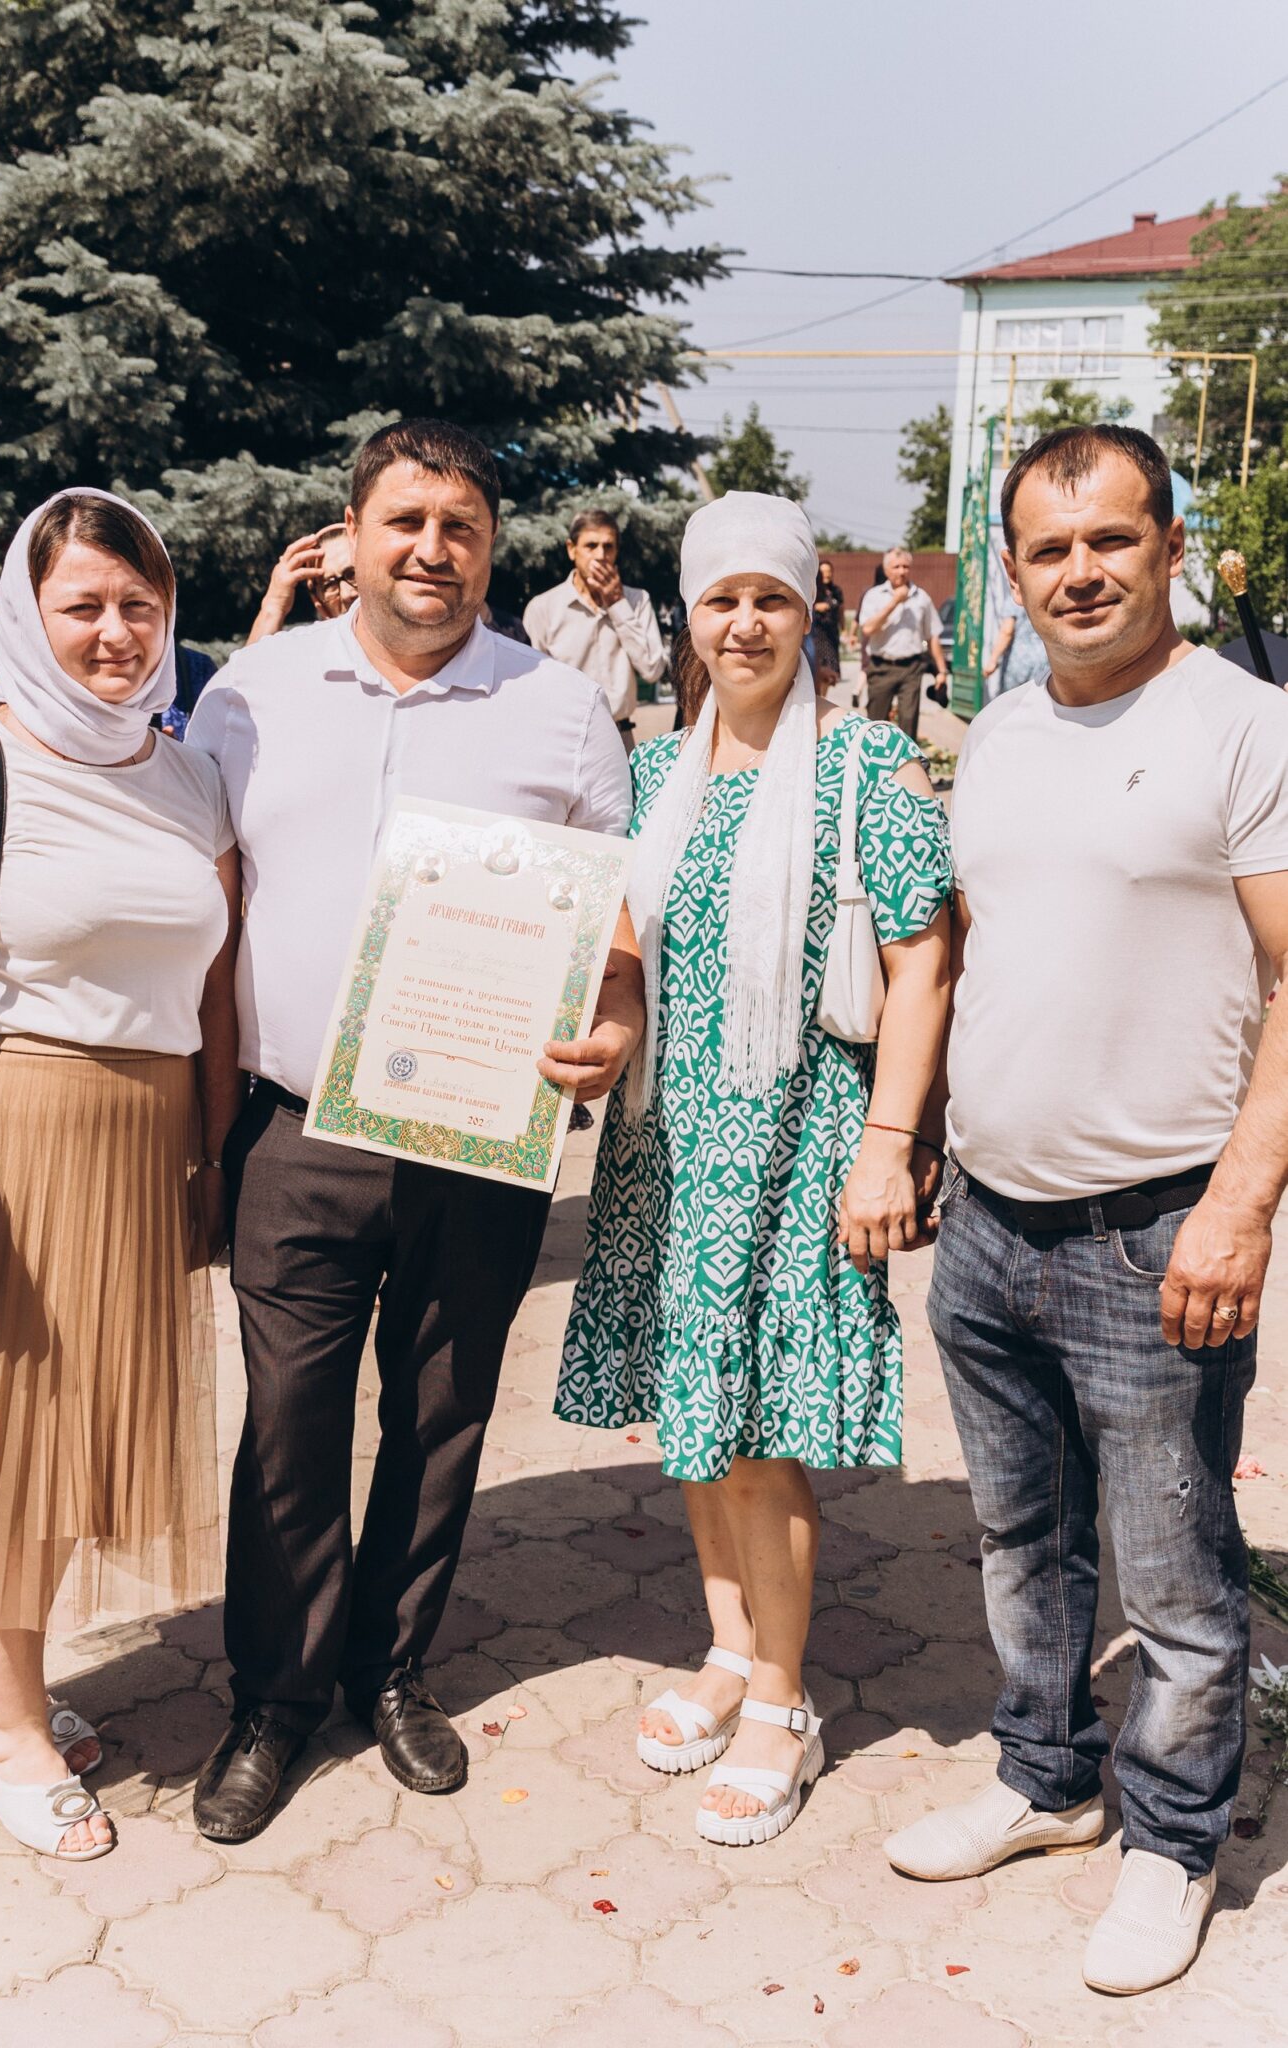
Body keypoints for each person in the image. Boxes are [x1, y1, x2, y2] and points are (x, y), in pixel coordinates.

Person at [186, 419, 642, 1844]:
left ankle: (389, 1671)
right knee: (289, 1424)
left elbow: (615, 924)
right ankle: (273, 1698)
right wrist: (201, 1135)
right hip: (294, 1134)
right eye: (406, 521)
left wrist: (615, 1023)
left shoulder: (558, 708)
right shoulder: (252, 695)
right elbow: (208, 913)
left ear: (490, 548)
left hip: (478, 1135)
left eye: (460, 527)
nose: (432, 550)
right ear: (351, 534)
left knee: (440, 1417)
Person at [884, 425, 1288, 1995]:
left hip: (1157, 1232)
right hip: (989, 1223)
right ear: (1008, 569)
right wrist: (921, 1138)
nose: (1080, 573)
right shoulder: (993, 735)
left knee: (1174, 1571)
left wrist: (1240, 1205)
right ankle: (1043, 1779)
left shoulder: (1243, 728)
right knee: (1019, 1537)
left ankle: (1172, 1840)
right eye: (1047, 549)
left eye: (1110, 540)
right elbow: (981, 950)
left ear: (1169, 548)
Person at [556, 491, 953, 1848]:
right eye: (719, 600)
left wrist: (890, 1145)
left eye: (769, 599)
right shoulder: (655, 775)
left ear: (807, 615)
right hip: (669, 1143)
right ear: (687, 619)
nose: (743, 624)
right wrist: (604, 1041)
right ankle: (727, 1644)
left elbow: (922, 966)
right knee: (697, 1408)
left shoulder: (863, 766)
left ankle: (784, 1697)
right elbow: (625, 955)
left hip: (797, 1144)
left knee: (763, 1433)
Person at [0, 489, 240, 1862]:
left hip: (146, 1131)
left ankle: (4, 1679)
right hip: (16, 1129)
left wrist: (211, 1150)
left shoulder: (186, 772)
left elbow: (215, 987)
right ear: (28, 612)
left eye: (138, 605)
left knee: (75, 1440)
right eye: (83, 606)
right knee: (8, 1442)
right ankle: (5, 1729)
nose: (115, 632)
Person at [523, 509, 667, 752]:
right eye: (591, 546)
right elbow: (531, 688)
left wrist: (617, 604)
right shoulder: (543, 608)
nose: (601, 555)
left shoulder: (637, 601)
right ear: (572, 549)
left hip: (619, 737)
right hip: (563, 739)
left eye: (608, 547)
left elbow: (653, 669)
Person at [856, 548, 948, 739]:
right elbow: (868, 629)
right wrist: (895, 601)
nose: (902, 571)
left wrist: (941, 671)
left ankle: (906, 757)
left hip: (911, 668)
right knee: (876, 723)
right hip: (881, 667)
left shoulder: (921, 598)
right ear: (886, 570)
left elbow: (932, 635)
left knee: (908, 721)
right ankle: (875, 756)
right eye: (896, 567)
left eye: (906, 566)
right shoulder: (874, 595)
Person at [247, 523, 356, 643]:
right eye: (329, 585)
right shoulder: (311, 649)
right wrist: (275, 604)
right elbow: (254, 655)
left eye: (352, 575)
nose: (346, 594)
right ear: (318, 600)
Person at [981, 588, 1047, 704]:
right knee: (1037, 701)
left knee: (1013, 702)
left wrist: (993, 660)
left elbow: (1007, 632)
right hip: (1043, 659)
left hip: (1018, 661)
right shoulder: (1041, 597)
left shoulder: (1015, 599)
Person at [810, 557, 844, 689]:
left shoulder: (836, 591)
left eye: (829, 571)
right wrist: (816, 607)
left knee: (830, 674)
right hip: (818, 635)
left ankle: (822, 696)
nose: (827, 575)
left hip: (832, 634)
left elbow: (840, 610)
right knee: (818, 669)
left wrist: (844, 629)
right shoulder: (814, 591)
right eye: (824, 572)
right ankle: (818, 696)